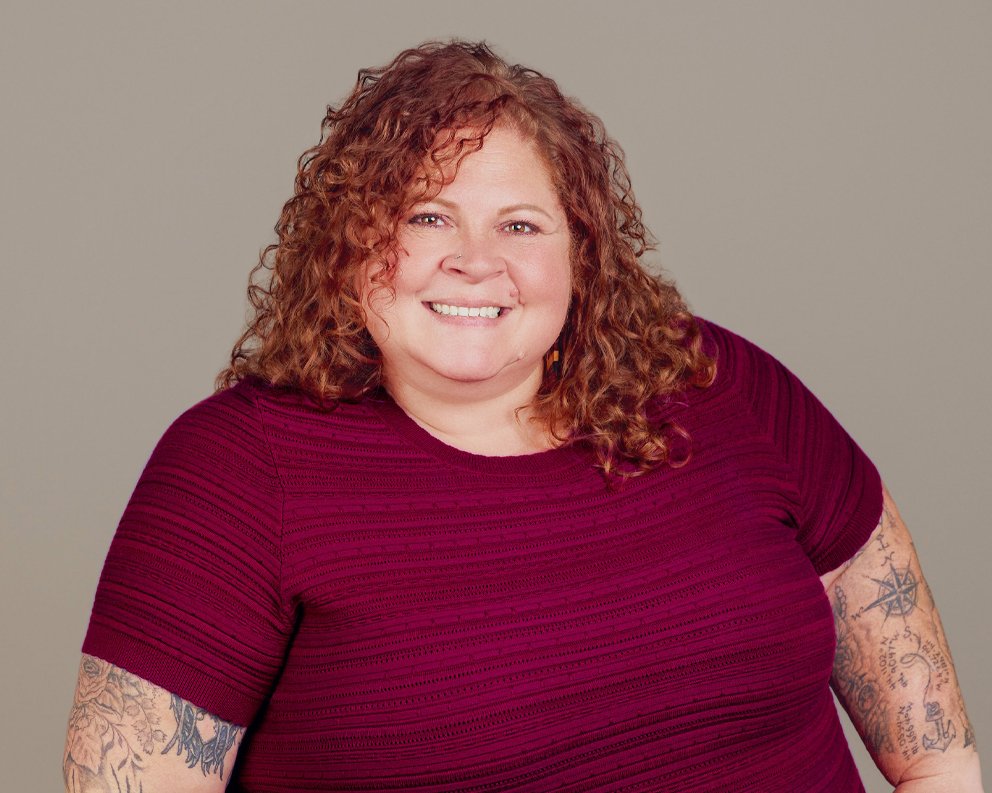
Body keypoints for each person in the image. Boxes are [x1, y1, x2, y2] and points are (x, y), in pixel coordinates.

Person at [64, 40, 982, 793]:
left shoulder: (713, 381)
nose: (475, 260)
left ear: (582, 254)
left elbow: (939, 759)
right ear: (348, 245)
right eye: (426, 217)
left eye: (520, 224)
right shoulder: (236, 474)